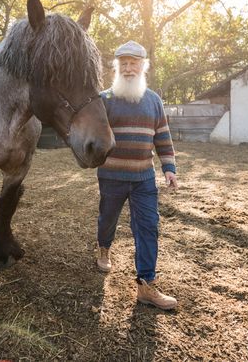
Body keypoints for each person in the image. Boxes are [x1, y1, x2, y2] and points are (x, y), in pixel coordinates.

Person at [95, 40, 178, 310]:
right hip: (112, 175)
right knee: (108, 219)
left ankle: (146, 285)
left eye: (134, 63)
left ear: (143, 66)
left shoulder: (154, 100)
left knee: (148, 227)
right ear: (117, 67)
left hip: (144, 177)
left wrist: (169, 168)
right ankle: (104, 247)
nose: (129, 68)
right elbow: (94, 136)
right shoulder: (104, 99)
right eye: (124, 64)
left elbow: (163, 136)